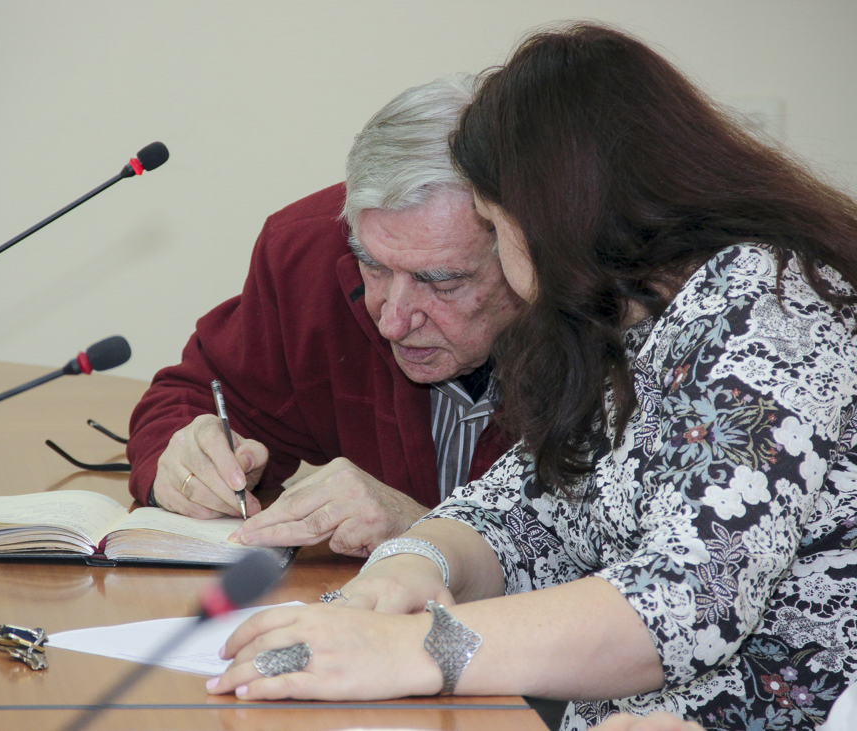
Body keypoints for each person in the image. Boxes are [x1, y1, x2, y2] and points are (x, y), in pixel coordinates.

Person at [206, 22, 857, 731]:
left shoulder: (772, 306)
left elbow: (683, 602)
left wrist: (413, 647)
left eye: (492, 220)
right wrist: (412, 563)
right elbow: (519, 517)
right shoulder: (622, 323)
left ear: (552, 212)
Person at [126, 76, 521, 557]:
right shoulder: (309, 252)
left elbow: (602, 566)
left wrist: (427, 533)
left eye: (442, 282)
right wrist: (188, 463)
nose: (392, 322)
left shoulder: (597, 317)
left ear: (524, 251)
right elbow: (194, 397)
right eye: (373, 265)